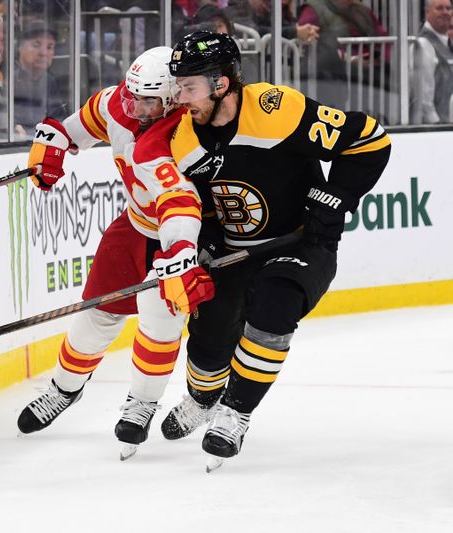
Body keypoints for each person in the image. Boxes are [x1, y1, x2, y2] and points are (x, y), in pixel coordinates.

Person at [131, 31, 390, 466]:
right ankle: (203, 396)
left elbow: (370, 140)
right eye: (177, 86)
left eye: (188, 87)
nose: (179, 98)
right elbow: (196, 209)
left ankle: (235, 412)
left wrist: (338, 196)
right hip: (234, 251)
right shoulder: (182, 140)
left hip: (301, 244)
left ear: (221, 84)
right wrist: (203, 248)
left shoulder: (277, 109)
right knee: (209, 342)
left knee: (273, 309)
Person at [17, 46, 214, 458]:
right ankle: (63, 389)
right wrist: (53, 144)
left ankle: (142, 403)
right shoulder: (117, 103)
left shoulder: (185, 133)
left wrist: (179, 251)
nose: (137, 107)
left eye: (148, 101)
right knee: (97, 314)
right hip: (134, 226)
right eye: (133, 95)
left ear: (174, 97)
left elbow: (180, 202)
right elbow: (76, 128)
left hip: (181, 234)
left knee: (160, 322)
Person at [14, 20, 68, 136]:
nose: (43, 53)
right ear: (20, 47)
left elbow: (57, 118)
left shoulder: (49, 80)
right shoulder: (7, 78)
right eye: (36, 45)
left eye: (50, 47)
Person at [412, 0, 453, 124]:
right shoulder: (424, 44)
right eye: (440, 8)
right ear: (427, 12)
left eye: (448, 8)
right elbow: (424, 98)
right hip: (438, 129)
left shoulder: (447, 43)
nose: (445, 12)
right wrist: (436, 126)